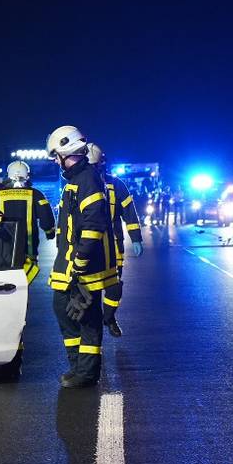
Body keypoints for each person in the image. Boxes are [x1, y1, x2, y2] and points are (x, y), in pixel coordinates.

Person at [47, 125, 117, 388]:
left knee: (86, 318)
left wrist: (80, 263)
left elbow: (93, 225)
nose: (55, 161)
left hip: (85, 267)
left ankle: (86, 373)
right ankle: (77, 366)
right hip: (69, 264)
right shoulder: (76, 180)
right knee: (64, 310)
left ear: (67, 151)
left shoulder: (86, 179)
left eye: (56, 155)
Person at [88, 144, 143, 337]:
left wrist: (136, 238)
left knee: (114, 287)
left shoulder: (116, 185)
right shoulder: (78, 186)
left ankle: (109, 317)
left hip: (113, 247)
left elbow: (129, 212)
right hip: (89, 248)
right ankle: (92, 327)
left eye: (97, 166)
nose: (95, 170)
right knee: (89, 292)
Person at [0, 160, 57, 282]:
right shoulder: (36, 194)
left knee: (6, 284)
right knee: (24, 282)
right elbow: (46, 218)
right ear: (27, 176)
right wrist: (50, 232)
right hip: (28, 249)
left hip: (4, 249)